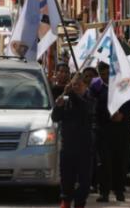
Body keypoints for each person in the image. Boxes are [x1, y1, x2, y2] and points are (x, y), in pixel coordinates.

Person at [92, 61, 130, 203]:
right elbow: (94, 108)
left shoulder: (123, 85)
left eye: (106, 73)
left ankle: (119, 191)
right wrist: (108, 115)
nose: (104, 77)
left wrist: (122, 114)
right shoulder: (96, 88)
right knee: (104, 163)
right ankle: (104, 192)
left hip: (121, 131)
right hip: (104, 131)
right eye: (101, 74)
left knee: (119, 162)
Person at [52, 73, 94, 208]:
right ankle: (66, 201)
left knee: (84, 182)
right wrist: (58, 105)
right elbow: (55, 118)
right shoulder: (66, 99)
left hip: (85, 148)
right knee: (66, 179)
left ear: (85, 86)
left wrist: (71, 95)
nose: (76, 87)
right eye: (74, 84)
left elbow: (85, 109)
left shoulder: (90, 98)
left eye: (79, 85)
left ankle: (80, 203)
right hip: (68, 147)